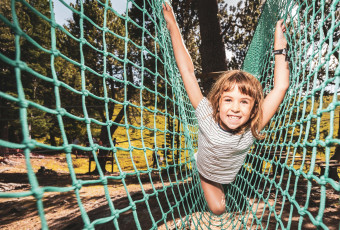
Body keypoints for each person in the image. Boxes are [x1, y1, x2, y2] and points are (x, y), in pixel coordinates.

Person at [162, 3, 289, 215]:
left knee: (226, 201)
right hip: (207, 172)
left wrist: (279, 46)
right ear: (217, 103)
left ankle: (225, 183)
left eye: (245, 102)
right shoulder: (206, 115)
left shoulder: (253, 125)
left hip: (230, 174)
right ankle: (200, 169)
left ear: (253, 108)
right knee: (218, 209)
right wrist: (172, 24)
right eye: (228, 100)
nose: (236, 108)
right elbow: (187, 72)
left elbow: (280, 87)